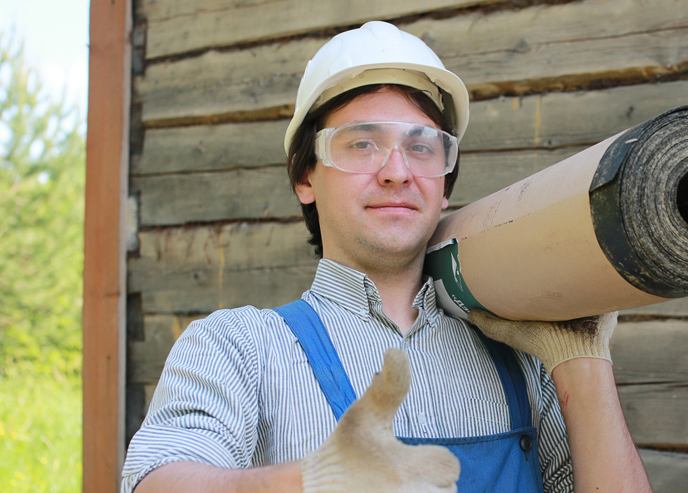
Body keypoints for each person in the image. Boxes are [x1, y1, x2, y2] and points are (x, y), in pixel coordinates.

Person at [121, 21, 651, 493]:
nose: (397, 170)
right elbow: (160, 478)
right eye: (361, 144)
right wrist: (302, 481)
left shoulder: (522, 356)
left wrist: (583, 363)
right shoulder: (239, 347)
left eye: (421, 146)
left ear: (444, 182)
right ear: (306, 176)